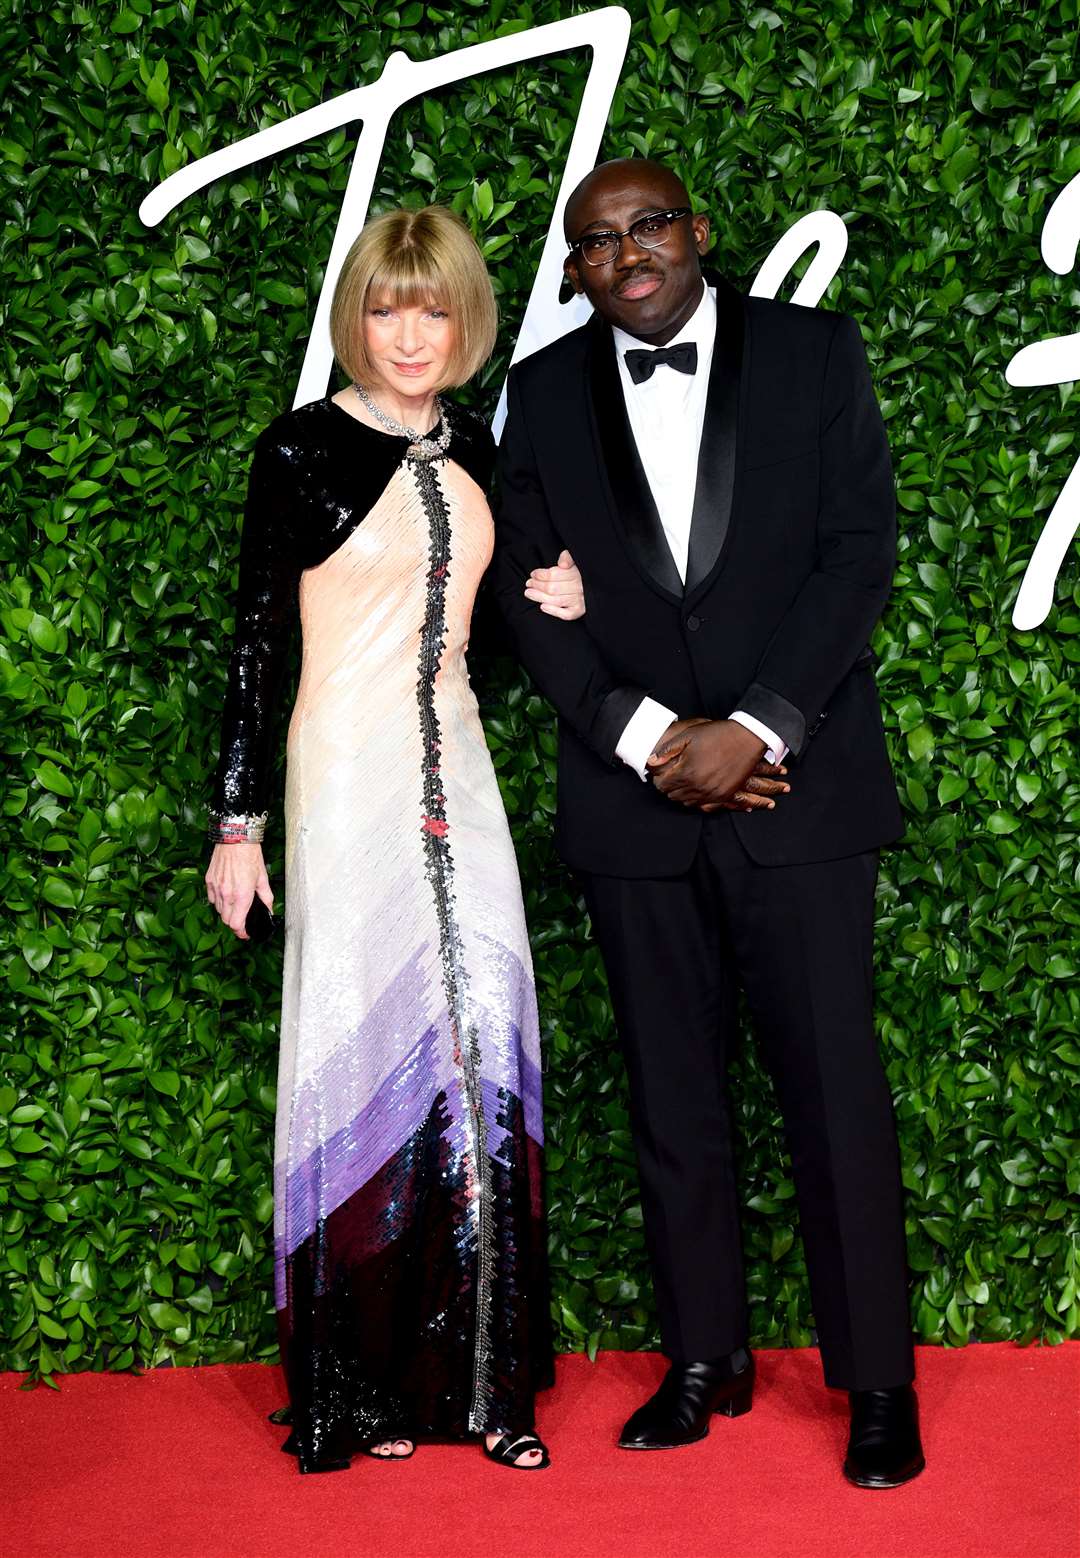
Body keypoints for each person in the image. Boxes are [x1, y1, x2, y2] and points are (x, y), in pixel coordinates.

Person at [493, 158, 925, 1489]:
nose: (627, 254)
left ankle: (877, 1382)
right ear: (575, 271)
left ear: (696, 232)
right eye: (598, 241)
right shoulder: (543, 395)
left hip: (798, 791)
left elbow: (859, 553)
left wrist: (760, 726)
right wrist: (645, 738)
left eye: (649, 226)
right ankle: (704, 1358)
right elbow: (517, 585)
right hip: (636, 807)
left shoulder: (812, 355)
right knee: (674, 1099)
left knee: (835, 1094)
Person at [204, 205, 584, 1474]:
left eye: (432, 308)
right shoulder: (301, 453)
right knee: (359, 1065)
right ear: (353, 317)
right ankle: (360, 1389)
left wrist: (561, 597)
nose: (409, 333)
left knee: (480, 1042)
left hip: (459, 779)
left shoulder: (483, 447)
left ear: (465, 317)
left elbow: (506, 636)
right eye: (384, 307)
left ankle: (485, 1383)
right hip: (343, 779)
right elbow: (258, 644)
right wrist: (238, 823)